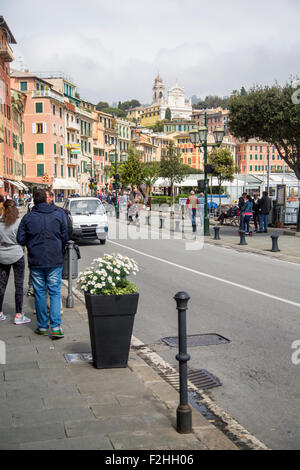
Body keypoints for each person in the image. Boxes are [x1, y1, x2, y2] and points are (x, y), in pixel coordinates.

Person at [17, 189, 68, 338]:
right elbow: (65, 236)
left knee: (39, 293)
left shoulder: (28, 218)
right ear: (47, 199)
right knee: (54, 292)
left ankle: (42, 326)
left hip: (36, 259)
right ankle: (56, 327)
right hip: (54, 259)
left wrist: (32, 242)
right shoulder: (59, 215)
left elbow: (20, 239)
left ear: (34, 200)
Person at [0, 200, 30, 324]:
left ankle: (0, 313)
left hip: (2, 255)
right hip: (17, 254)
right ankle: (18, 314)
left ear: (4, 209)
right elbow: (23, 239)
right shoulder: (19, 223)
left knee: (1, 285)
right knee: (19, 285)